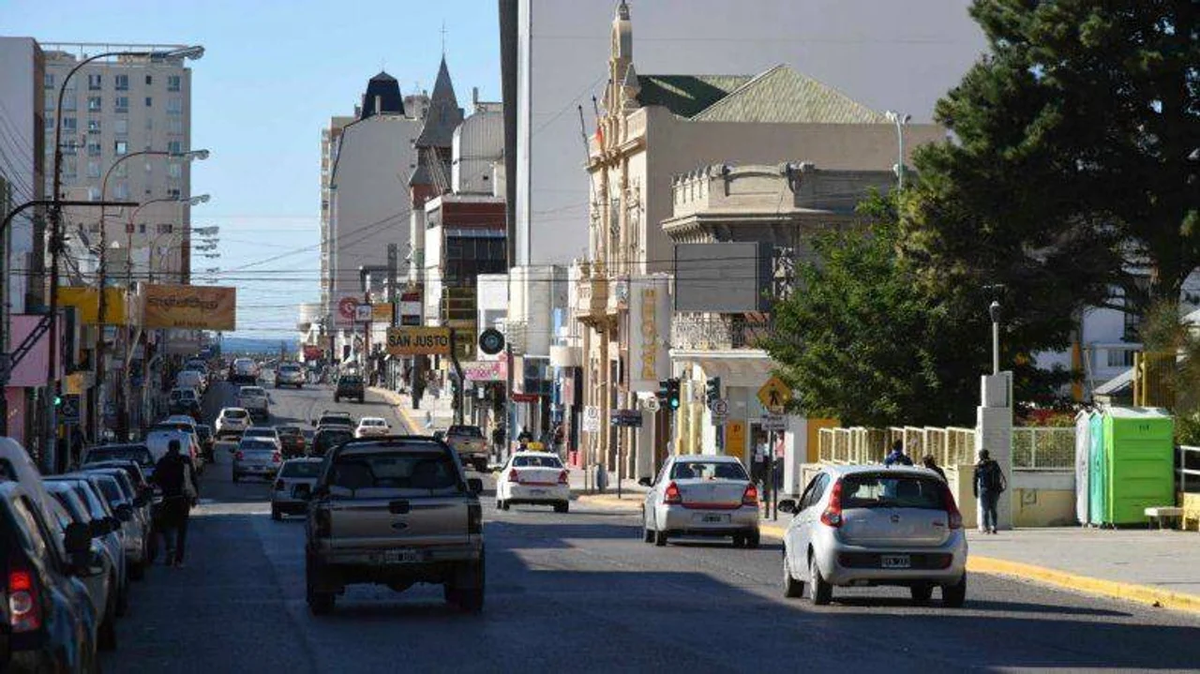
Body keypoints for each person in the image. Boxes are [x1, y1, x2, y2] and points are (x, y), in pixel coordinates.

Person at [152, 439, 199, 567]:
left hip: (168, 498)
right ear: (179, 448)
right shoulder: (185, 461)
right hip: (183, 499)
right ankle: (179, 559)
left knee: (167, 525)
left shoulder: (163, 462)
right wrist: (195, 497)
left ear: (169, 447)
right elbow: (193, 479)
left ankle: (169, 547)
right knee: (182, 530)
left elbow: (155, 479)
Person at [973, 449, 1006, 534]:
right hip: (995, 490)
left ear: (980, 455)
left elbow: (975, 480)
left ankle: (986, 528)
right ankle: (994, 526)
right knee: (993, 509)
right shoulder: (994, 463)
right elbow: (1000, 475)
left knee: (985, 510)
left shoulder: (979, 466)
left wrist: (975, 492)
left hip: (984, 490)